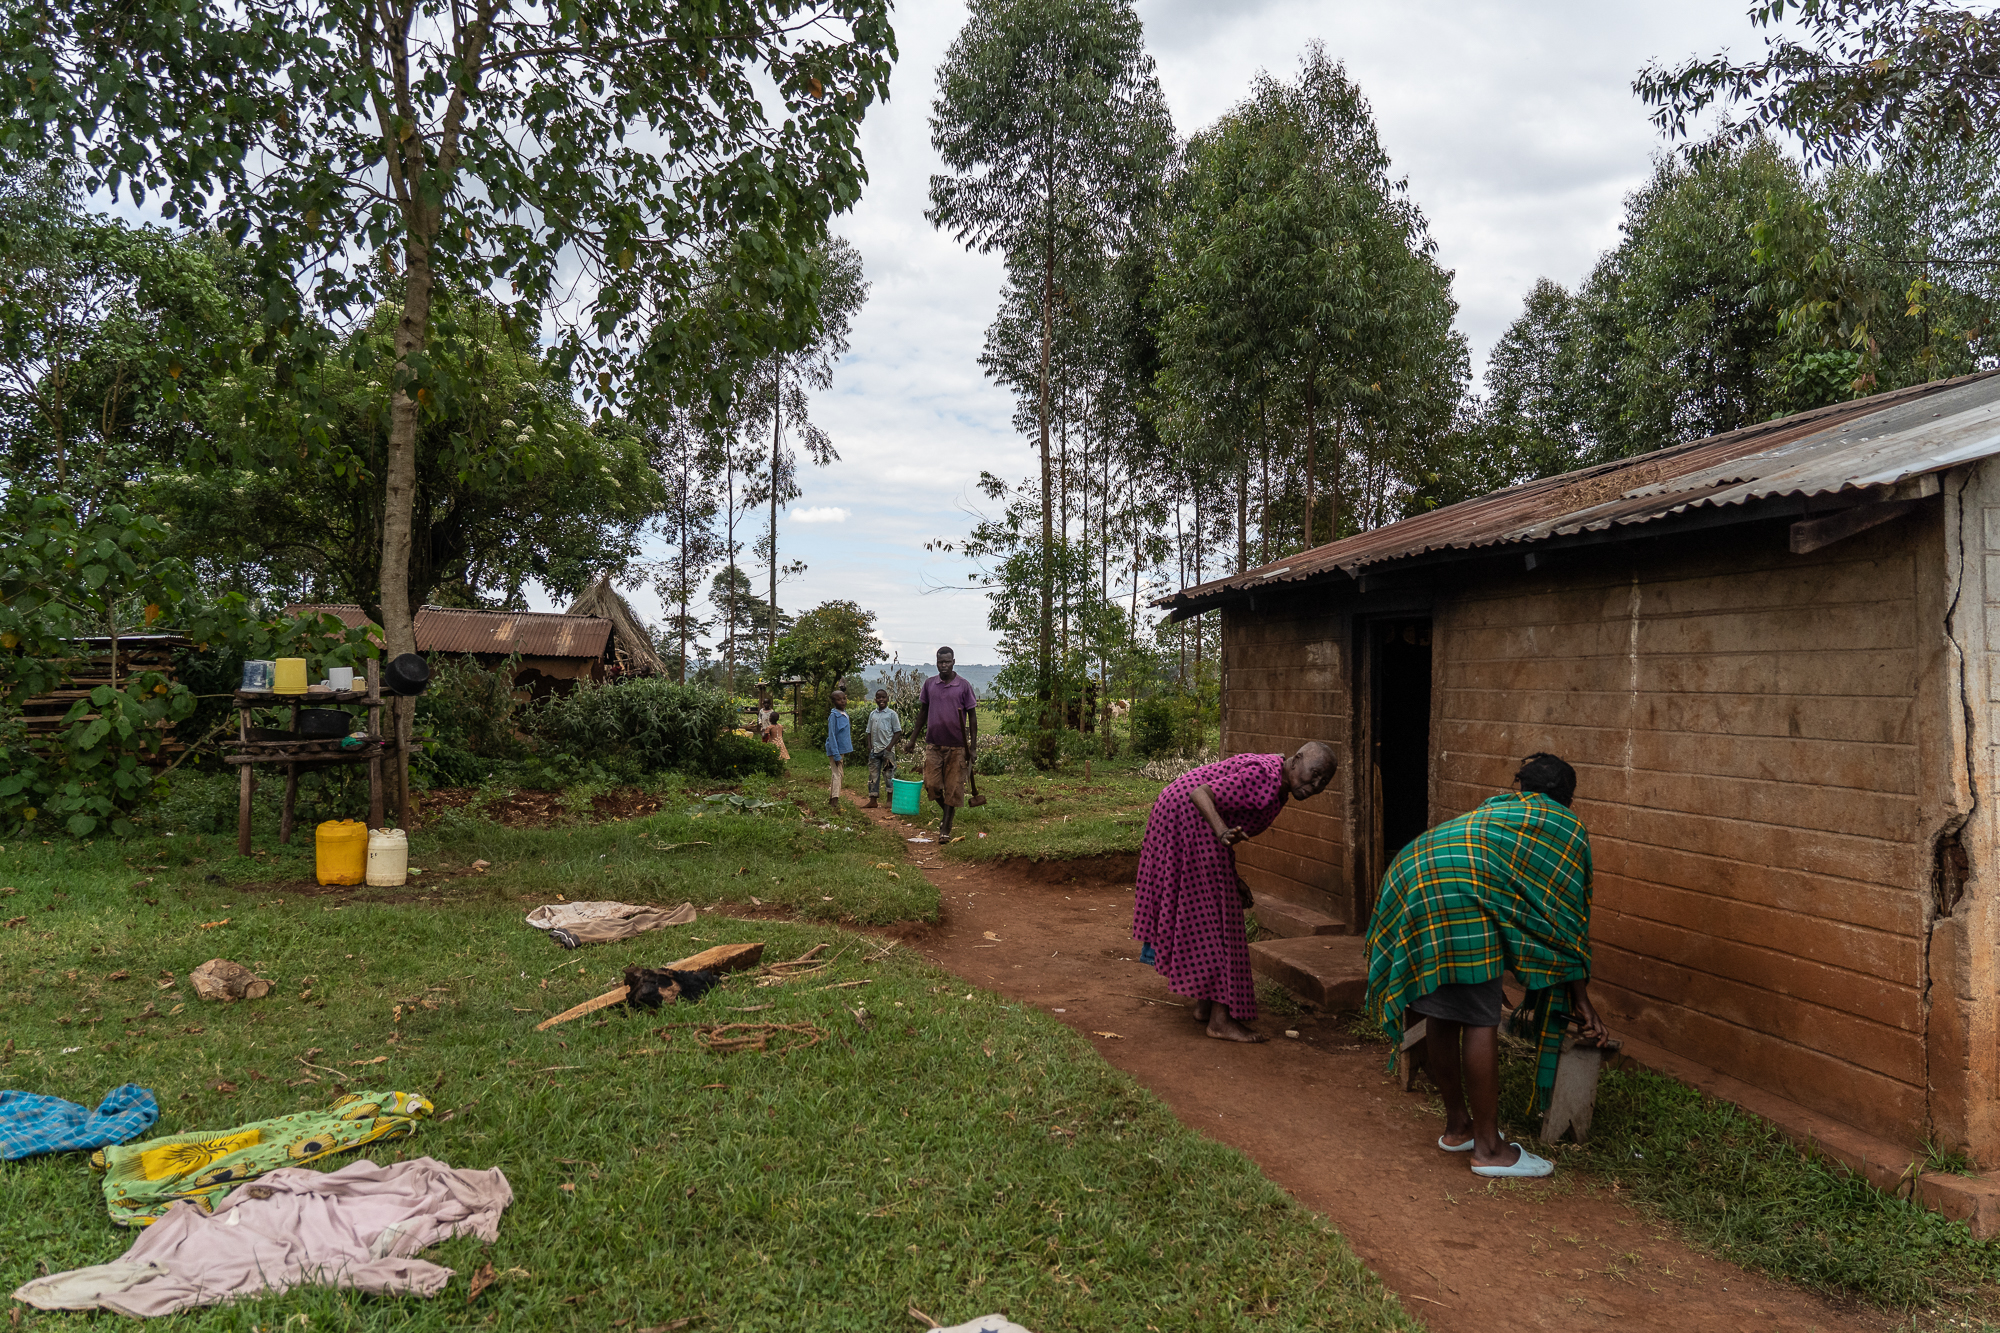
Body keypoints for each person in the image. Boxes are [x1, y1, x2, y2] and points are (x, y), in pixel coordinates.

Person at [1364, 752, 1608, 1180]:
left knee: (1442, 1010)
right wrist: (1581, 999)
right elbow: (1566, 919)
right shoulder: (1565, 827)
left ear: (1524, 786)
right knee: (1480, 1019)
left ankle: (1458, 1127)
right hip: (1463, 896)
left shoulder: (1496, 809)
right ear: (1567, 797)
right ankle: (1490, 1149)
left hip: (1413, 873)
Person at [1130, 743, 1338, 1042]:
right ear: (1297, 761)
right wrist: (1220, 832)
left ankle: (1206, 1006)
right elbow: (1201, 794)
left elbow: (1226, 824)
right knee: (1221, 920)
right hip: (1186, 821)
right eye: (1314, 774)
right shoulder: (1265, 777)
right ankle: (1219, 1019)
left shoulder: (1278, 787)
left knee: (1210, 911)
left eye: (1324, 782)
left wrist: (1231, 872)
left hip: (1186, 821)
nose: (1316, 785)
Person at [907, 647, 978, 840]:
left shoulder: (963, 686)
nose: (943, 665)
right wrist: (913, 739)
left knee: (953, 788)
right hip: (934, 744)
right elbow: (922, 713)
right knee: (931, 785)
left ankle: (945, 828)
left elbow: (972, 717)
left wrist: (972, 747)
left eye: (947, 662)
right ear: (936, 662)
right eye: (940, 662)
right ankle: (948, 814)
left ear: (953, 662)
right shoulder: (930, 684)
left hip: (957, 746)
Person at [863, 688, 902, 809]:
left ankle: (889, 801)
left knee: (889, 775)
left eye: (883, 697)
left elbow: (897, 732)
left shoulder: (892, 714)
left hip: (887, 751)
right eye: (878, 697)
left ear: (888, 699)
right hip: (874, 750)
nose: (881, 700)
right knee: (873, 776)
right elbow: (868, 732)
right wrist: (869, 745)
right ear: (875, 699)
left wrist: (889, 747)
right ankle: (873, 800)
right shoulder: (872, 714)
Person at [823, 689, 853, 809]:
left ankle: (832, 799)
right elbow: (832, 735)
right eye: (839, 699)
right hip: (836, 751)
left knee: (837, 774)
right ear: (833, 702)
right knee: (837, 775)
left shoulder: (844, 714)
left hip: (841, 750)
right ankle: (835, 801)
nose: (842, 701)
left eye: (844, 698)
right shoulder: (833, 716)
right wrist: (836, 754)